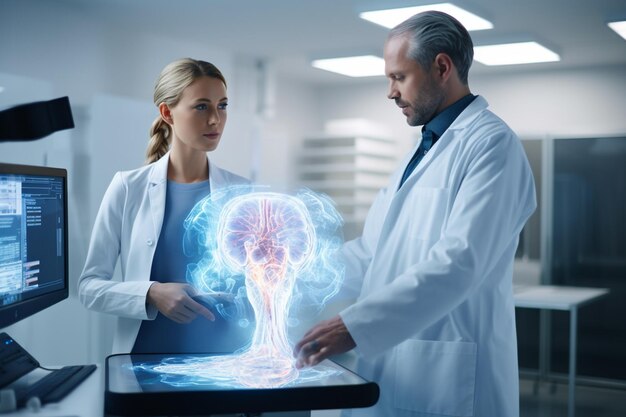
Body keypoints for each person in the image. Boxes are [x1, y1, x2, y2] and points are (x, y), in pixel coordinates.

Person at [294, 11, 536, 417]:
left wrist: (355, 326)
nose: (390, 92)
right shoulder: (423, 148)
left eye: (399, 77)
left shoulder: (492, 145)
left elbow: (460, 262)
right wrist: (295, 272)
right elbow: (373, 251)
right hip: (399, 364)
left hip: (451, 372)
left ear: (442, 67)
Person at [79, 58, 251, 354]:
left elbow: (262, 284)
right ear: (167, 112)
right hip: (145, 366)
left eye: (222, 106)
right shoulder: (128, 188)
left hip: (225, 366)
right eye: (202, 106)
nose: (215, 119)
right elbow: (89, 288)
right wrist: (152, 293)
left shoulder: (242, 194)